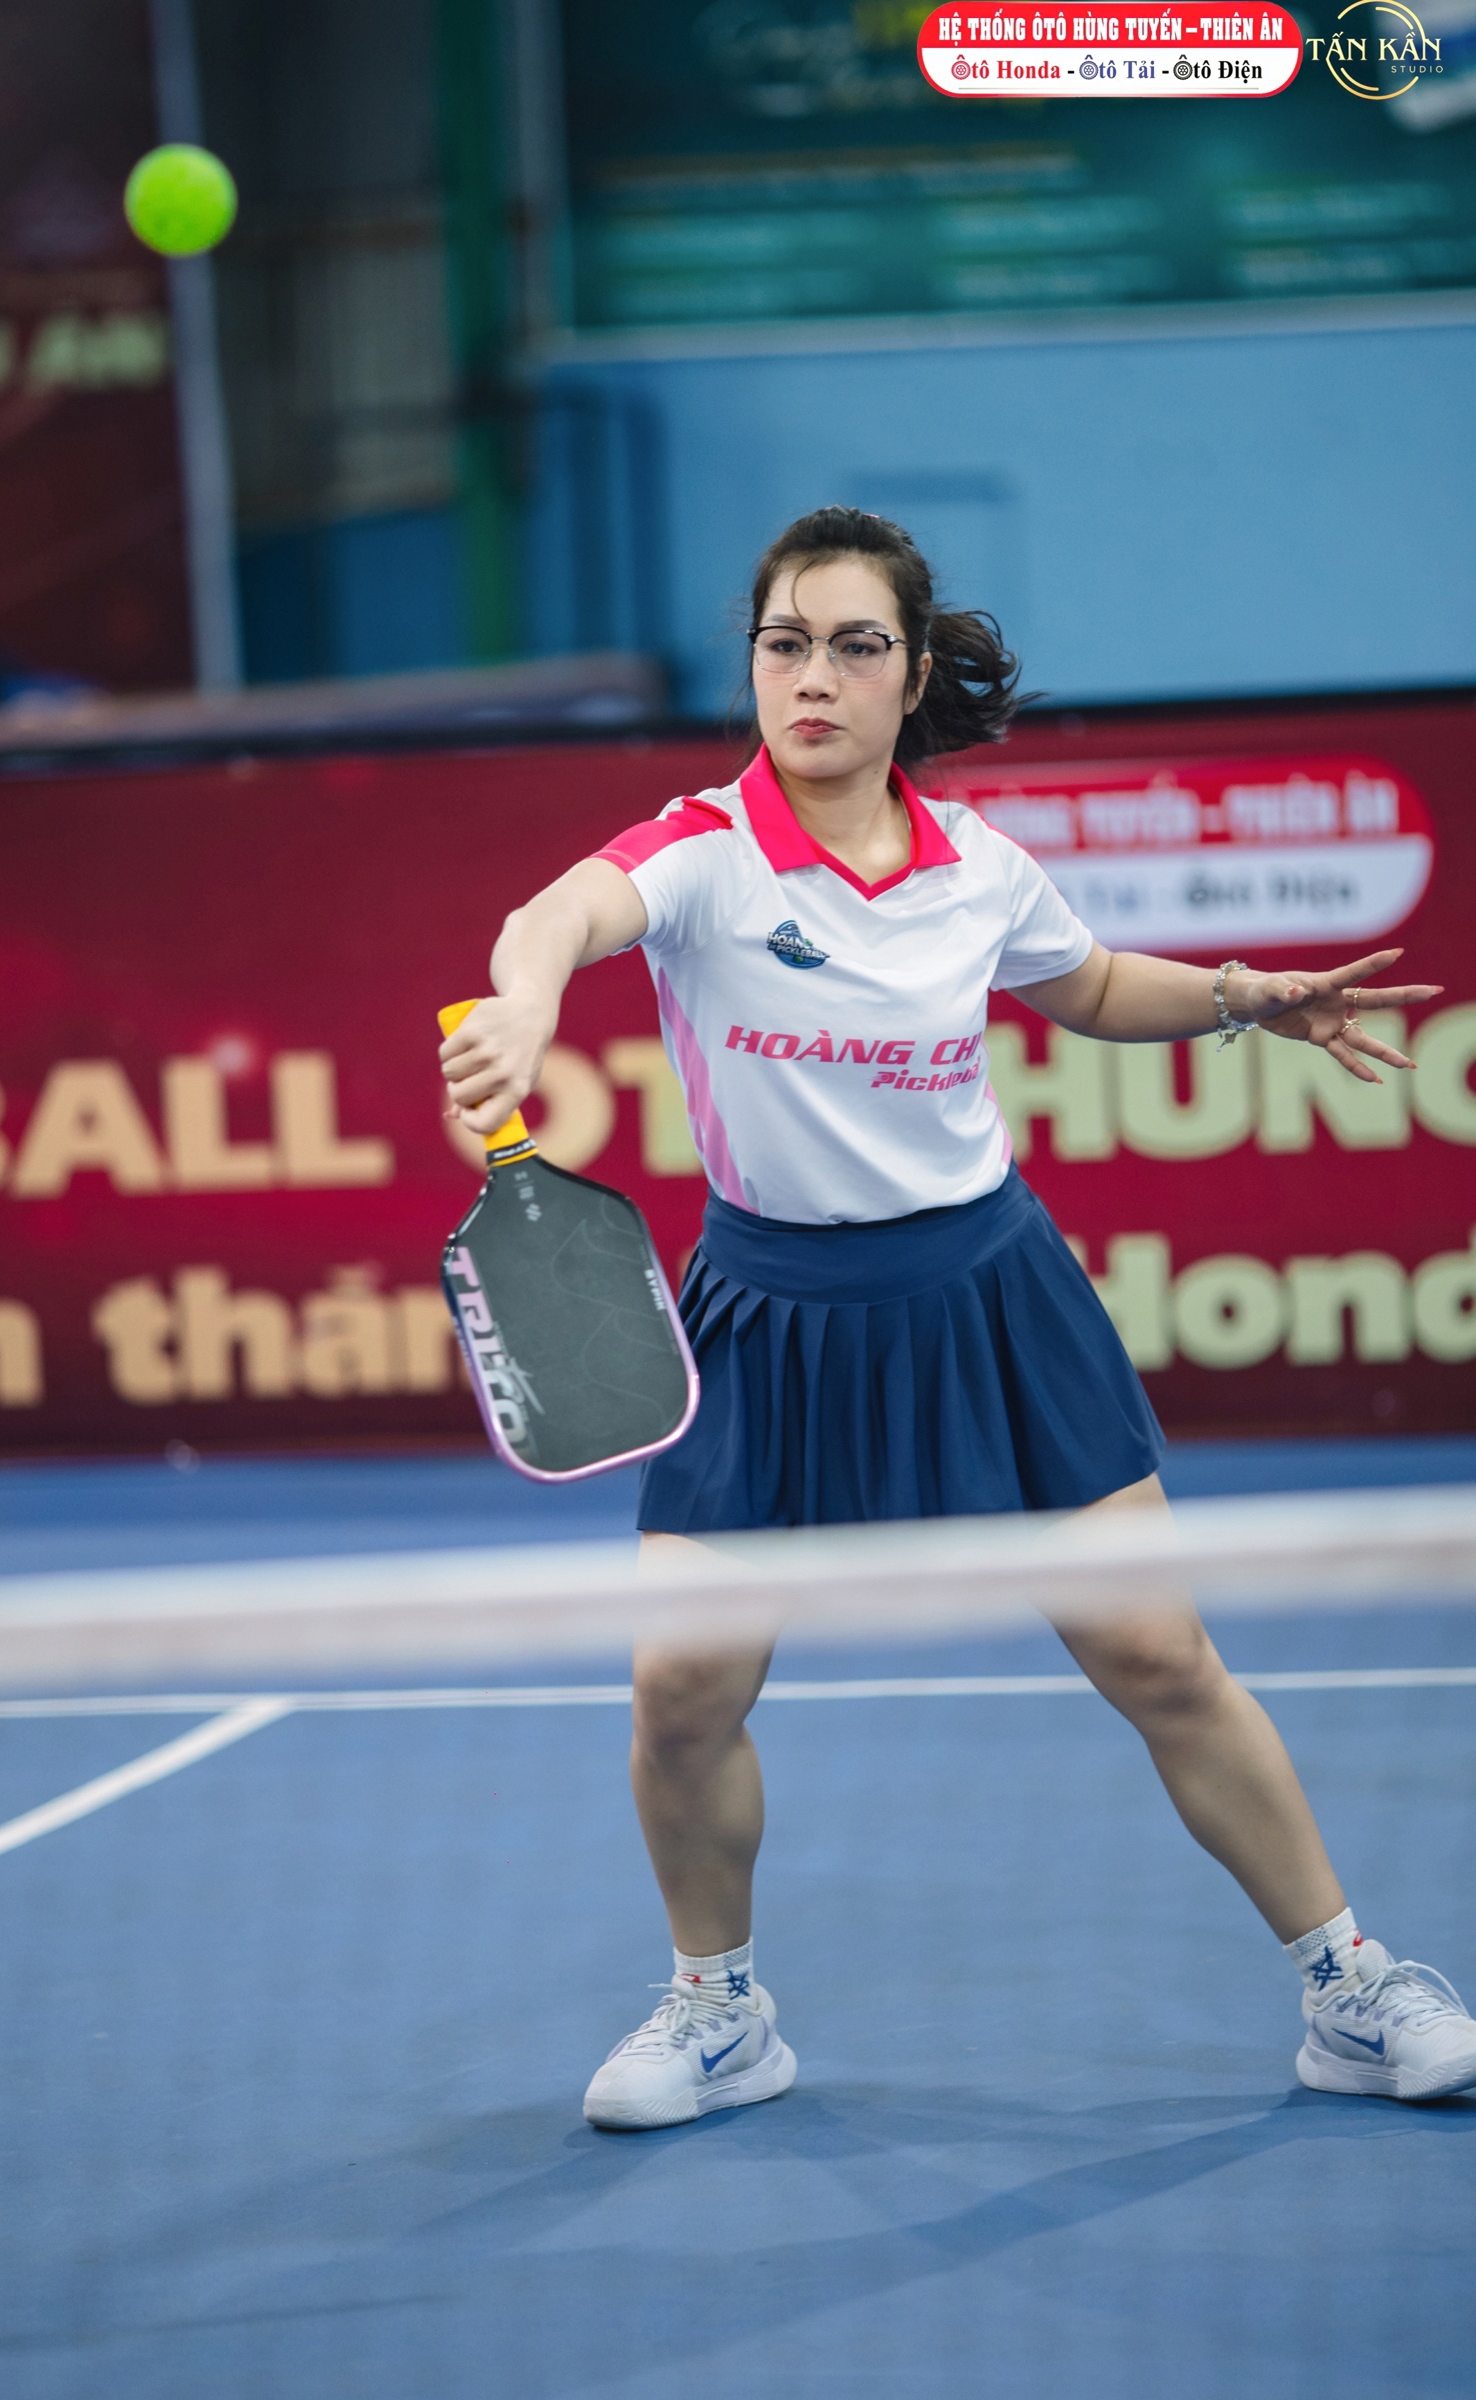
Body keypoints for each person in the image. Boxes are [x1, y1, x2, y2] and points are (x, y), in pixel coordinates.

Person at [440, 505, 1474, 2129]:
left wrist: (1239, 998)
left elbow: (1086, 984)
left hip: (985, 1297)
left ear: (909, 674)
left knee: (1157, 1655)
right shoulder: (701, 854)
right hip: (771, 1314)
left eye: (853, 646)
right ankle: (717, 2009)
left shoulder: (977, 868)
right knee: (680, 1696)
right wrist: (521, 1002)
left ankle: (1346, 1986)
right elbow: (555, 917)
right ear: (752, 665)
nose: (813, 677)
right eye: (784, 643)